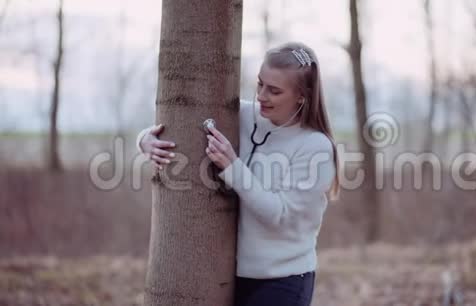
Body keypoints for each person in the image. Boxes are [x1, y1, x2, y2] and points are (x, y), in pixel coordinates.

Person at [136, 42, 340, 306]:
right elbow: (181, 122)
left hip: (284, 281)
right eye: (260, 84)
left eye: (275, 91)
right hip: (233, 277)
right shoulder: (244, 115)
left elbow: (280, 216)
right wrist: (145, 141)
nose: (262, 96)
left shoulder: (316, 147)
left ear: (302, 95)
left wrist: (232, 167)